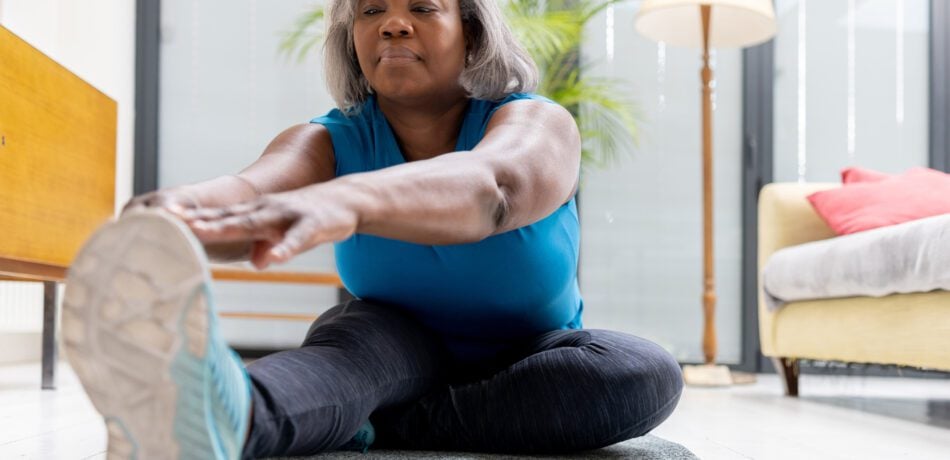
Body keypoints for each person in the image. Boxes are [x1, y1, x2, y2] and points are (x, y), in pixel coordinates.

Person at [62, 0, 684, 458]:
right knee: (344, 362)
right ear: (353, 34)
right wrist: (174, 215)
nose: (392, 23)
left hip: (530, 352)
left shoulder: (535, 125)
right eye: (371, 10)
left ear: (471, 32)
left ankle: (384, 423)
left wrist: (348, 201)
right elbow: (249, 194)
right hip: (390, 338)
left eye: (422, 8)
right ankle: (215, 414)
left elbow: (494, 189)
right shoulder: (329, 138)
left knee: (638, 372)